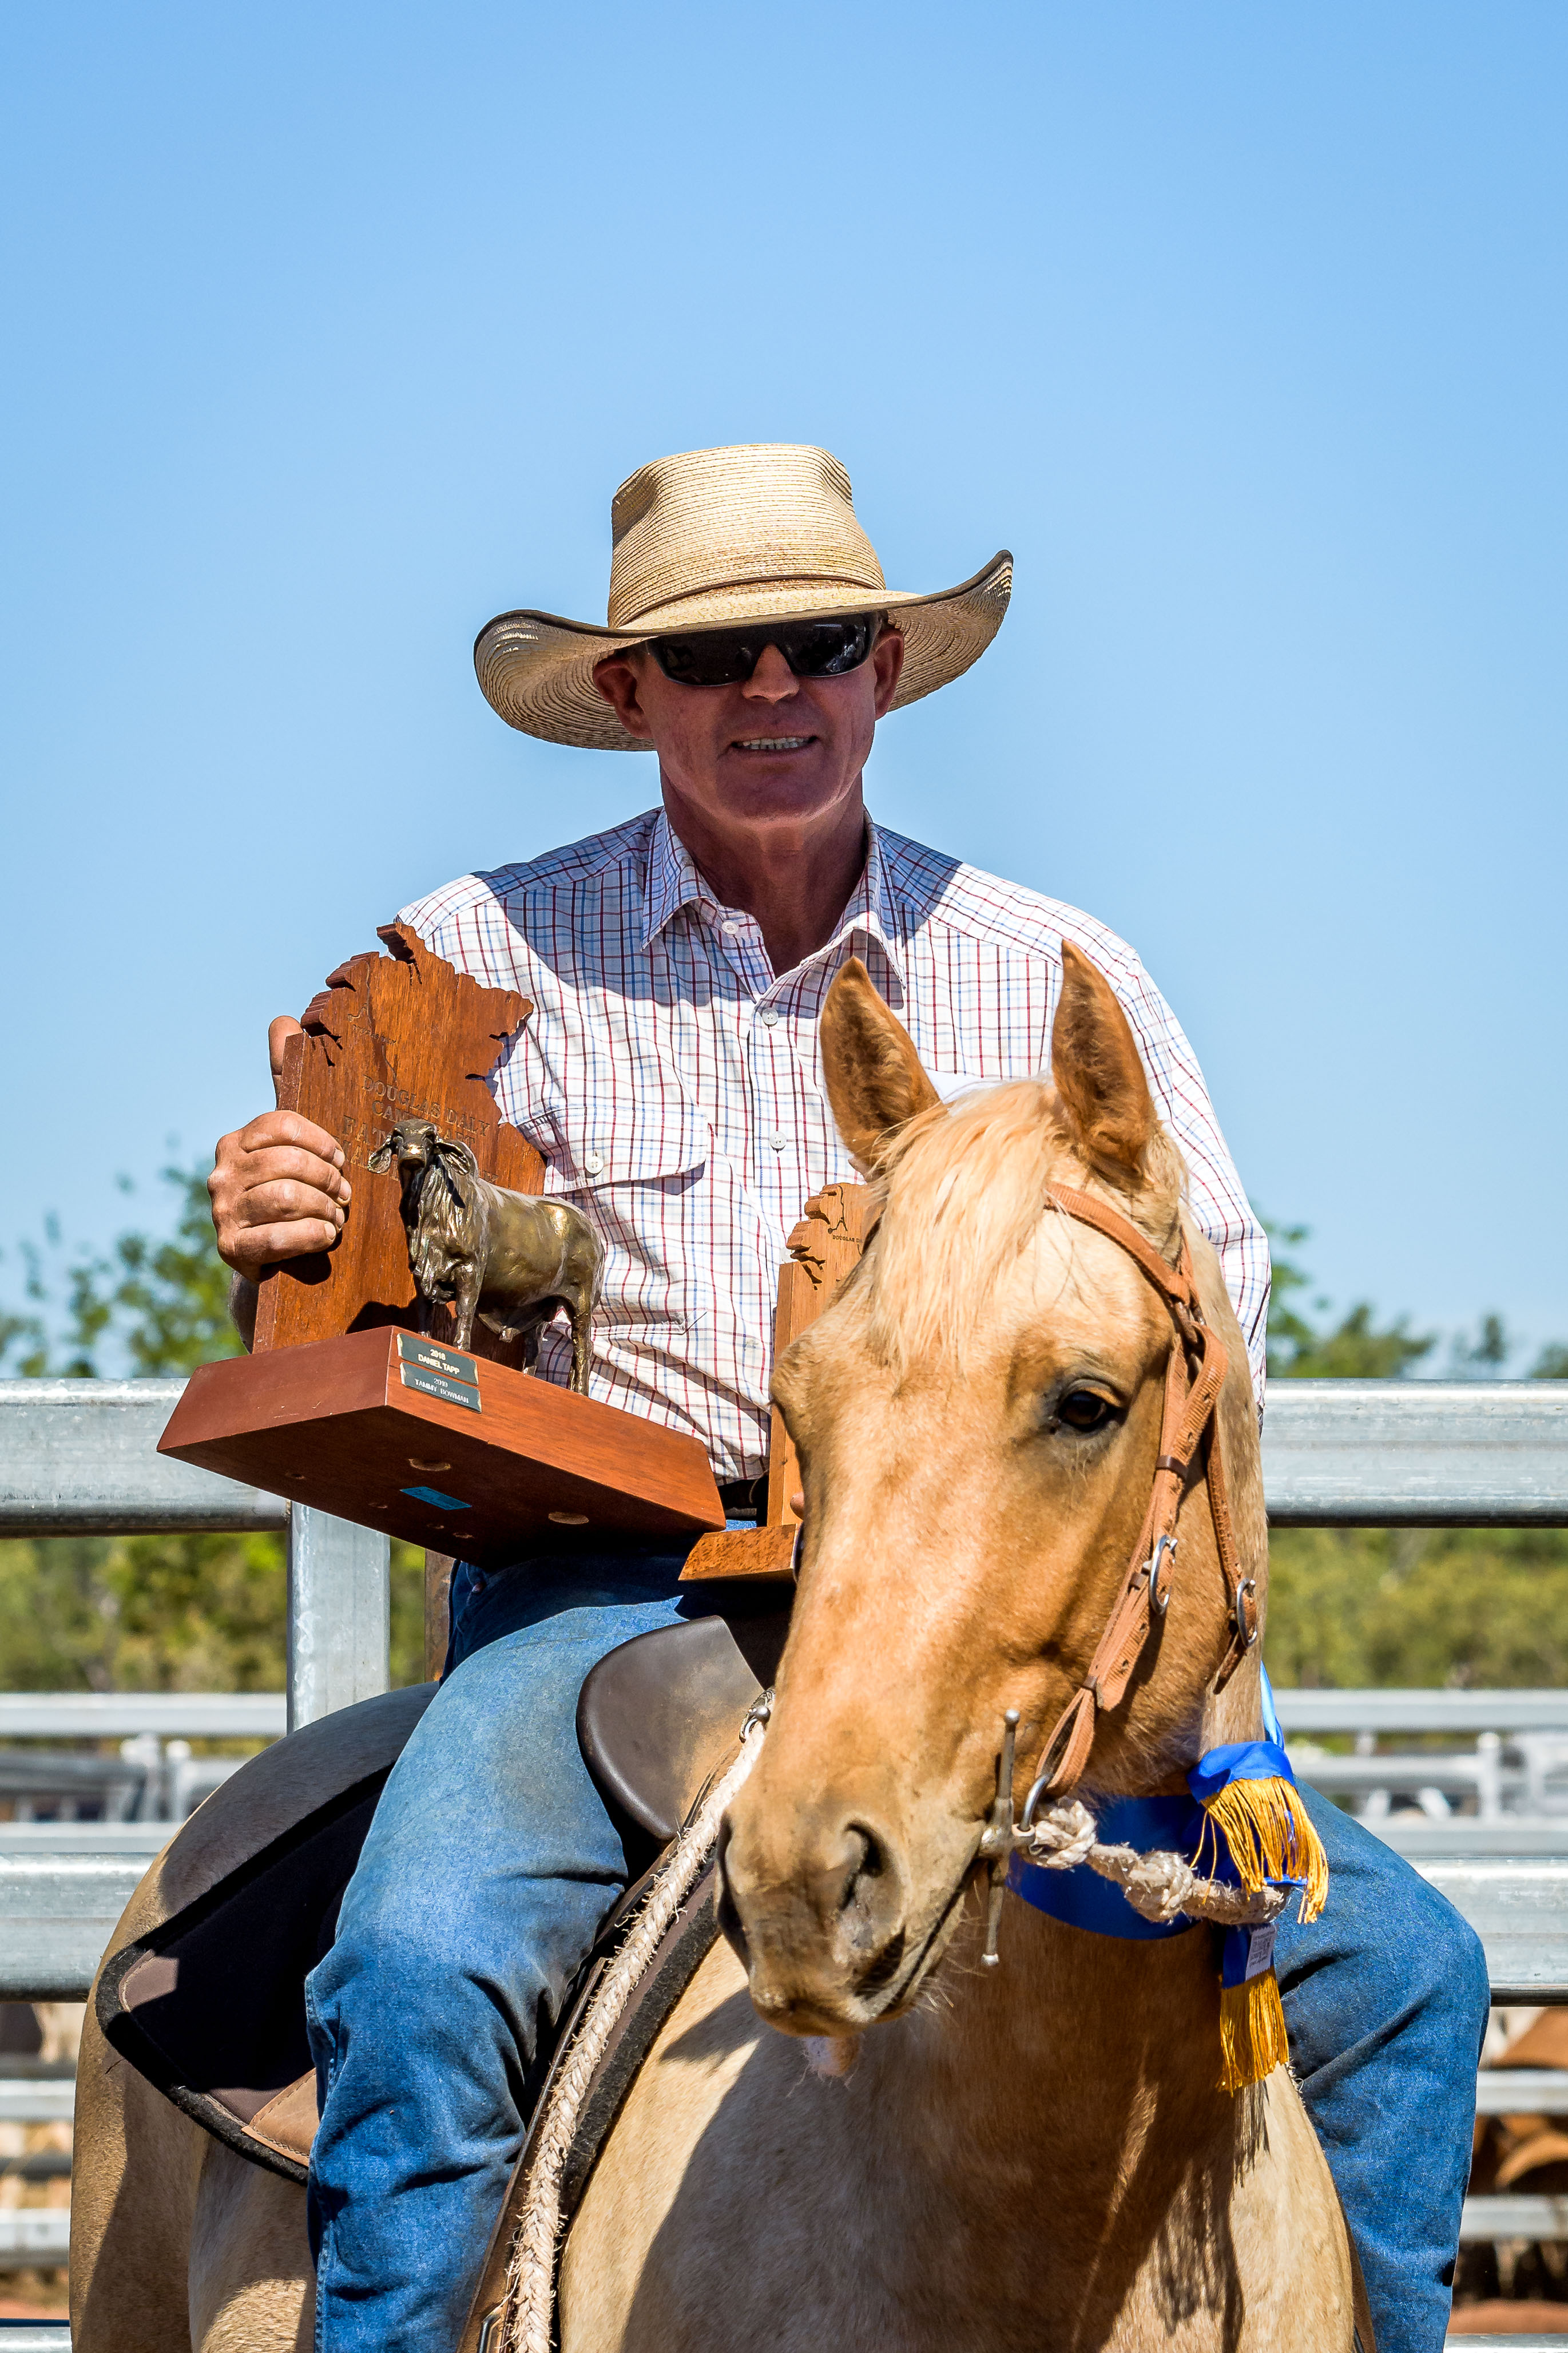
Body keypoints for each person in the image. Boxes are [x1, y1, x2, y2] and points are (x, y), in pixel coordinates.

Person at [209, 442, 1486, 2353]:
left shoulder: (1059, 973)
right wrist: (279, 1217)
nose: (771, 690)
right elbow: (350, 1265)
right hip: (612, 1593)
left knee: (1412, 1978)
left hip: (986, 1581)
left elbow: (1211, 1327)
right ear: (627, 690)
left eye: (816, 643)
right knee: (422, 1958)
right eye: (709, 657)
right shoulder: (476, 957)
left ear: (883, 670)